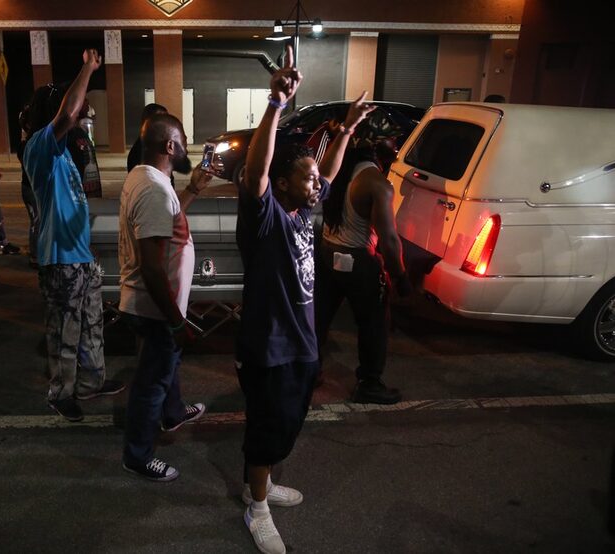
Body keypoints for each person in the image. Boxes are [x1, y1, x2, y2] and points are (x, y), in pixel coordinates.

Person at [236, 45, 373, 553]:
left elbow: (331, 169)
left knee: (289, 423)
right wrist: (275, 105)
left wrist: (348, 130)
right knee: (266, 427)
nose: (318, 184)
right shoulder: (266, 215)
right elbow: (255, 171)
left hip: (302, 344)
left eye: (316, 179)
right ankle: (256, 506)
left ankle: (265, 483)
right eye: (308, 178)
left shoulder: (303, 215)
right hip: (268, 345)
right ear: (283, 183)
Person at [22, 49, 124, 423]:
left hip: (81, 257)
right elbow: (66, 114)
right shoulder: (39, 148)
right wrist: (89, 68)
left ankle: (91, 382)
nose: (83, 114)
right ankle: (61, 392)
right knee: (65, 330)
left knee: (91, 324)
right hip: (60, 258)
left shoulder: (64, 154)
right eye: (78, 109)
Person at [118, 113, 211, 481]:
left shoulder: (147, 178)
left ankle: (173, 413)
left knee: (165, 365)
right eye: (184, 140)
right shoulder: (154, 189)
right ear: (169, 146)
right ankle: (137, 456)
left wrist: (194, 189)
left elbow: (167, 224)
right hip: (154, 306)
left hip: (156, 304)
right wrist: (175, 320)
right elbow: (153, 268)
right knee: (150, 382)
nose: (188, 147)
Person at [315, 137, 408, 405]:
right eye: (393, 147)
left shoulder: (338, 170)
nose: (397, 152)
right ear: (378, 151)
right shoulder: (377, 183)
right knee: (374, 324)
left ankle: (309, 371)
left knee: (319, 318)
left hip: (326, 253)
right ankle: (369, 383)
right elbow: (389, 240)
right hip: (358, 260)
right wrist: (400, 275)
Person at [17, 104, 39, 268]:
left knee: (40, 221)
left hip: (35, 188)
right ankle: (35, 255)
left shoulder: (33, 141)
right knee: (37, 222)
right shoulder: (27, 144)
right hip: (31, 188)